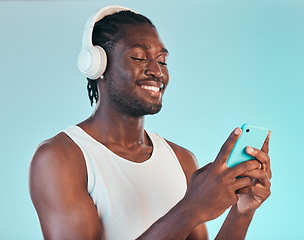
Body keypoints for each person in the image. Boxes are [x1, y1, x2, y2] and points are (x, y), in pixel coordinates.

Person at [29, 5, 272, 240]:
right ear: (98, 65)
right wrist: (191, 208)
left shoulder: (182, 159)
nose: (157, 71)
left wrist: (242, 211)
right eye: (138, 57)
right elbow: (189, 212)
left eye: (163, 61)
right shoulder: (61, 158)